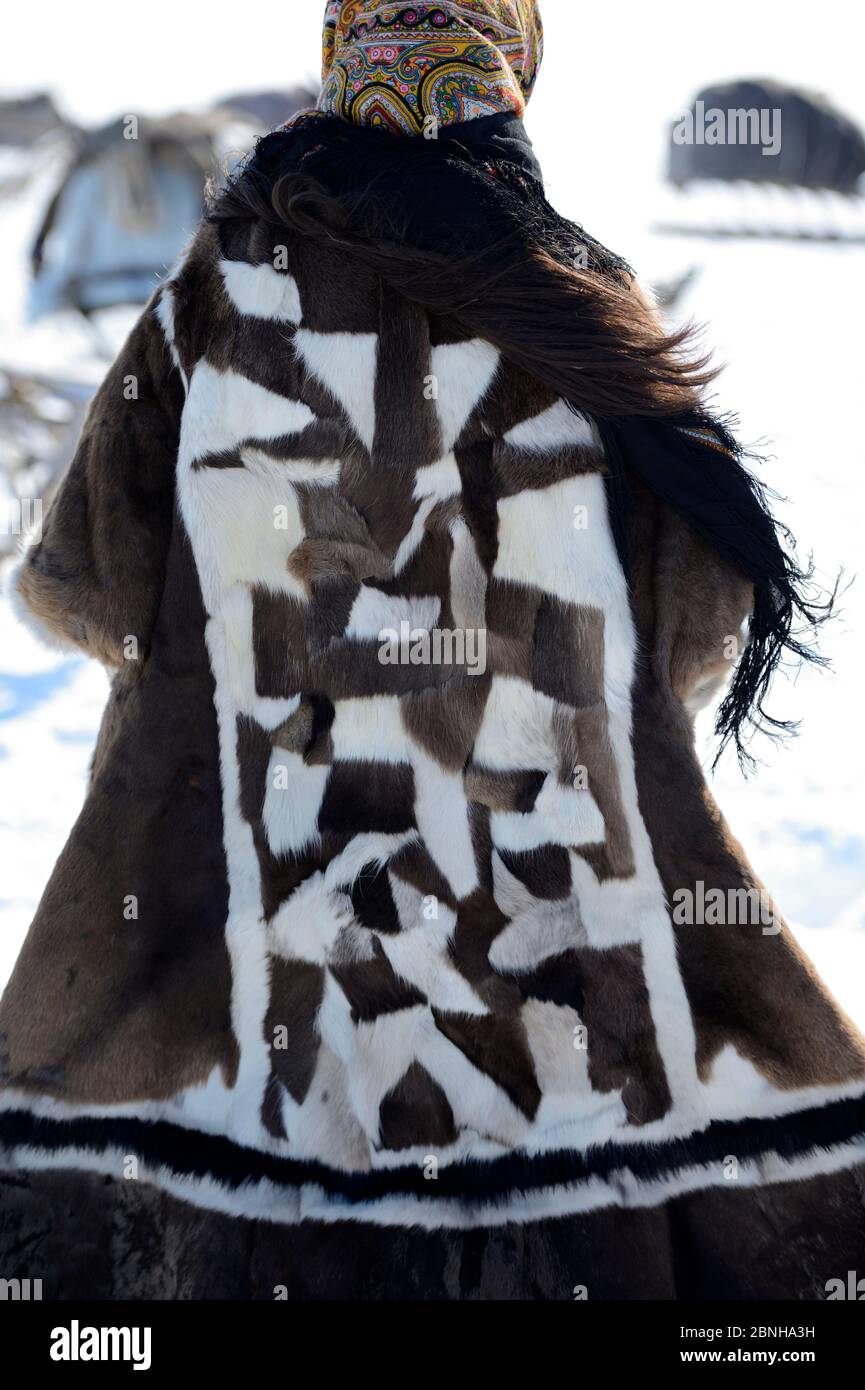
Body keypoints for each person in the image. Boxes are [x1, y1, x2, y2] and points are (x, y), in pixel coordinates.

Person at [2, 0, 864, 1300]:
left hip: (277, 1005)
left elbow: (80, 586)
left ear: (345, 61)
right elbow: (702, 615)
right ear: (507, 71)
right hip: (560, 997)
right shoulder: (579, 289)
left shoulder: (216, 296)